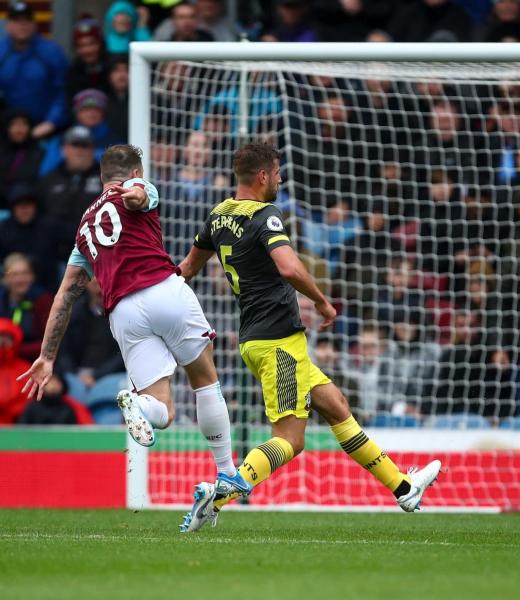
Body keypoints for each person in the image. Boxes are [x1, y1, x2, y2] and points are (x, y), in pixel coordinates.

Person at [177, 142, 441, 532]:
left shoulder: (218, 216)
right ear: (263, 176)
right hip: (278, 340)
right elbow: (288, 267)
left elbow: (186, 269)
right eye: (278, 172)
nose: (281, 178)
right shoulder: (266, 216)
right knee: (290, 438)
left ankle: (403, 487)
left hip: (256, 337)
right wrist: (321, 301)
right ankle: (226, 487)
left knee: (335, 405)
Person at [18, 145, 248, 510]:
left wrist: (47, 357)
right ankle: (226, 471)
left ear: (101, 177)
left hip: (123, 313)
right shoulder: (140, 188)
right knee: (204, 377)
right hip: (163, 290)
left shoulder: (84, 227)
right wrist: (138, 193)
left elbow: (65, 293)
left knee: (163, 410)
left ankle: (138, 403)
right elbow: (140, 197)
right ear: (136, 171)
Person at [0, 2, 70, 138]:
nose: (22, 25)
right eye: (17, 21)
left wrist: (51, 122)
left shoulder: (52, 52)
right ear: (8, 25)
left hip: (48, 129)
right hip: (9, 132)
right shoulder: (1, 53)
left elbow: (64, 91)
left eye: (27, 20)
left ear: (34, 25)